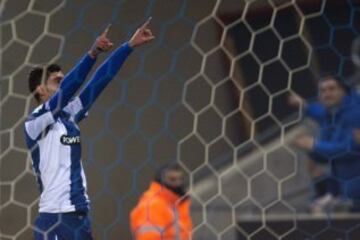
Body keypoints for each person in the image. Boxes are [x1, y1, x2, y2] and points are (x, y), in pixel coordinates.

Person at [24, 19, 154, 239]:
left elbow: (98, 82)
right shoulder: (34, 124)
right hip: (54, 218)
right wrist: (92, 53)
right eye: (57, 80)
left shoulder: (70, 114)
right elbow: (70, 87)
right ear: (40, 90)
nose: (63, 83)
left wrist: (128, 47)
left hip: (78, 216)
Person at [290, 75, 360, 212]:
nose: (327, 94)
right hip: (343, 189)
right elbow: (320, 113)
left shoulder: (355, 114)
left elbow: (349, 148)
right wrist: (304, 106)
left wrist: (315, 145)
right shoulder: (332, 113)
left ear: (343, 91)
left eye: (332, 89)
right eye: (323, 90)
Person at [130, 164, 192, 240]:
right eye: (172, 179)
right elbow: (149, 237)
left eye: (180, 179)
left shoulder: (176, 204)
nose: (178, 183)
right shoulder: (153, 205)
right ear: (160, 180)